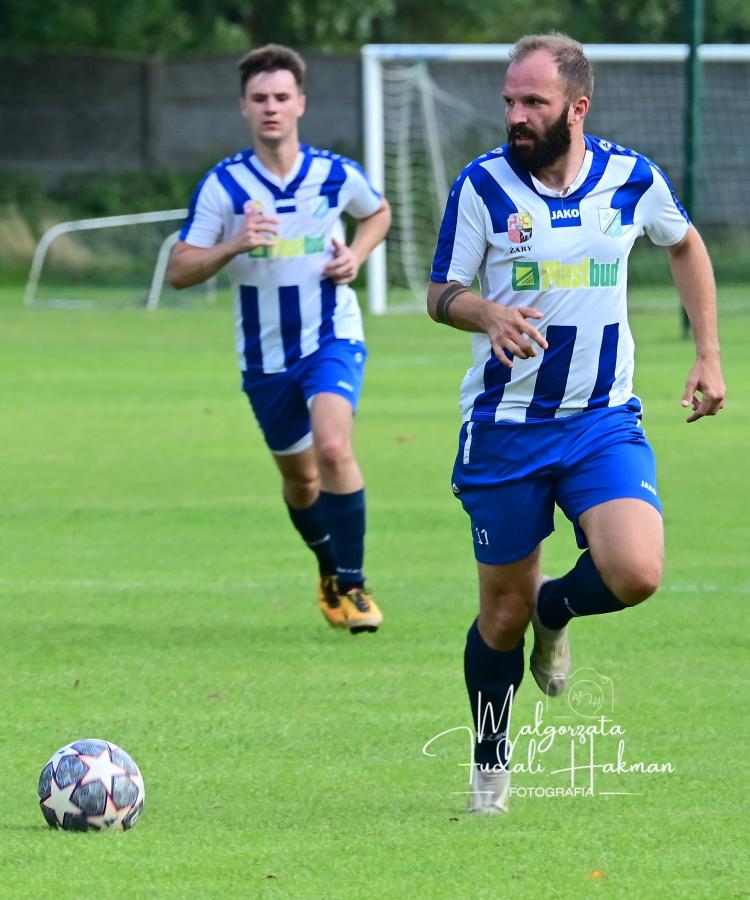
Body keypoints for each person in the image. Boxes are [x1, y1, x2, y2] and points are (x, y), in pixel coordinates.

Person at [427, 33, 725, 813]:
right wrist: (485, 312)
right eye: (509, 101)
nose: (516, 115)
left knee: (636, 572)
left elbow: (685, 243)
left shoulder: (632, 178)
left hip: (601, 420)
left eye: (534, 102)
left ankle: (556, 609)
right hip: (506, 427)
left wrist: (709, 354)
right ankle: (490, 767)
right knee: (501, 614)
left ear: (577, 108)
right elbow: (441, 293)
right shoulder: (482, 186)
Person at [168, 44, 391, 634]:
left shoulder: (334, 173)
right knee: (301, 479)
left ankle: (353, 584)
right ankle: (328, 568)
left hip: (331, 337)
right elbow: (180, 270)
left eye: (281, 97)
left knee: (333, 449)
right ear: (244, 107)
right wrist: (233, 244)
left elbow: (377, 213)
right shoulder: (224, 185)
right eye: (260, 98)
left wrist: (357, 255)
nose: (271, 107)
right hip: (264, 357)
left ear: (301, 104)